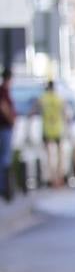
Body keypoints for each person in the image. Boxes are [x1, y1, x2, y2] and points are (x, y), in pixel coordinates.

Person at [37, 80, 69, 188]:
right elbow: (65, 114)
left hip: (47, 130)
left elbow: (36, 111)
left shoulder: (43, 98)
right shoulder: (59, 98)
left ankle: (53, 178)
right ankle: (60, 178)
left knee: (50, 156)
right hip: (58, 129)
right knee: (60, 156)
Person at [0, 69, 14, 201]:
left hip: (4, 128)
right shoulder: (3, 91)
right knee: (5, 159)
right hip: (4, 128)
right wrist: (11, 119)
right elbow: (3, 107)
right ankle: (4, 189)